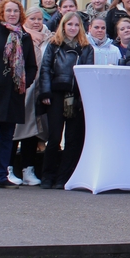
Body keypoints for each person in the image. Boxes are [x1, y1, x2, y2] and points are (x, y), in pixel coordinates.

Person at [0, 0, 39, 189]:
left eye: (15, 11)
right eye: (8, 10)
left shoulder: (25, 37)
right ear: (1, 13)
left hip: (14, 94)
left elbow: (31, 66)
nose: (12, 14)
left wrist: (23, 84)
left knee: (7, 136)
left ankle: (2, 175)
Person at [39, 12, 94, 189]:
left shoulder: (87, 48)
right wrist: (45, 93)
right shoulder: (54, 45)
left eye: (76, 25)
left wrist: (82, 98)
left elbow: (87, 73)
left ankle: (64, 177)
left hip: (75, 96)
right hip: (56, 94)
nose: (73, 28)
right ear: (63, 26)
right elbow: (45, 69)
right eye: (69, 24)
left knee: (72, 139)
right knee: (54, 137)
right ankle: (47, 175)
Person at [10, 6, 51, 186]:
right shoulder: (18, 36)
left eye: (39, 19)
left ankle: (28, 168)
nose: (36, 22)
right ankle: (8, 167)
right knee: (13, 129)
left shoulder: (49, 39)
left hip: (40, 89)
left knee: (34, 130)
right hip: (21, 88)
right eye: (32, 19)